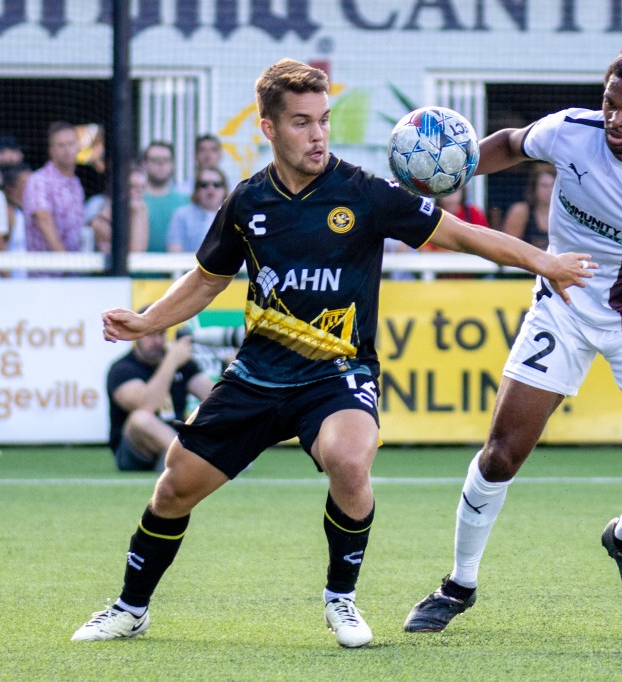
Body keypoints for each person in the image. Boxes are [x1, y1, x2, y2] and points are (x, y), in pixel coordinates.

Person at [71, 58, 591, 649]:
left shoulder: (365, 193)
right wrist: (146, 321)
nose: (317, 134)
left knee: (349, 458)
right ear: (268, 128)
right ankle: (129, 608)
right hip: (257, 376)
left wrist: (543, 260)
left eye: (322, 120)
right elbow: (206, 278)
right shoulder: (246, 202)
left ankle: (341, 599)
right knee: (173, 488)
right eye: (300, 123)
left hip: (339, 374)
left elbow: (463, 236)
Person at [403, 42, 622, 633]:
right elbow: (510, 144)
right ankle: (458, 584)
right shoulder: (570, 132)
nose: (616, 119)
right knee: (502, 452)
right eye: (610, 103)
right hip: (561, 307)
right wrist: (453, 169)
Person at [106, 315, 214, 471]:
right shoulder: (122, 369)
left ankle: (188, 458)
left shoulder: (182, 364)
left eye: (162, 334)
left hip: (176, 435)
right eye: (151, 335)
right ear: (137, 335)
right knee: (140, 418)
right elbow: (147, 405)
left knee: (214, 416)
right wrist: (171, 361)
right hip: (137, 452)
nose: (157, 341)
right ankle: (190, 459)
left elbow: (214, 396)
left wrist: (232, 368)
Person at [23, 121, 86, 253]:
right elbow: (44, 221)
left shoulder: (76, 183)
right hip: (48, 270)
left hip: (77, 269)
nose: (67, 150)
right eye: (61, 145)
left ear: (78, 147)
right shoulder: (39, 180)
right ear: (51, 150)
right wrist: (66, 262)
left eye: (71, 144)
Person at [89, 165, 151, 254]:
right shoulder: (99, 211)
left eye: (142, 187)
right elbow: (134, 251)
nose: (139, 191)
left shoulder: (140, 208)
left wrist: (137, 212)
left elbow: (139, 252)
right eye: (133, 186)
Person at [141, 141, 190, 252]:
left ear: (172, 164)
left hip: (174, 267)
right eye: (155, 160)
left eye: (165, 160)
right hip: (139, 266)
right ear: (144, 164)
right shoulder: (136, 199)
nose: (161, 165)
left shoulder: (185, 201)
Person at [167, 166, 228, 252]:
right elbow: (174, 252)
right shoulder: (181, 215)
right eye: (204, 185)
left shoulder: (233, 217)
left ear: (225, 190)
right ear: (197, 190)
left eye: (216, 185)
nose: (210, 190)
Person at [500, 162, 556, 250]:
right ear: (534, 188)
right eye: (544, 186)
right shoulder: (521, 211)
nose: (550, 191)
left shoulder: (565, 214)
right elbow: (507, 247)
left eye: (553, 185)